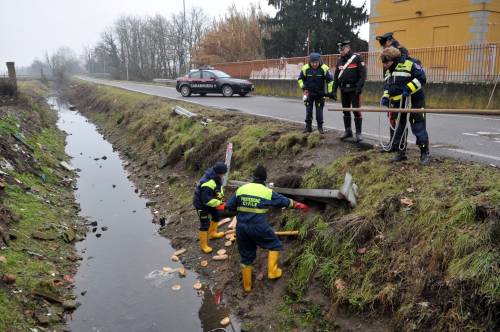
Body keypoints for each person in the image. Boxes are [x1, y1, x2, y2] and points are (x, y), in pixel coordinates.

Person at [225, 165, 309, 292]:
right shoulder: (266, 192)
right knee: (274, 244)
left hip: (241, 228)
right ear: (264, 179)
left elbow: (229, 207)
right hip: (259, 227)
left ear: (253, 177)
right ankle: (272, 272)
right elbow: (283, 201)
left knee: (246, 257)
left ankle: (247, 287)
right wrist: (298, 205)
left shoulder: (242, 189)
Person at [380, 47, 431, 165]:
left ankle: (425, 153)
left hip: (414, 101)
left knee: (418, 126)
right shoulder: (388, 70)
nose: (384, 65)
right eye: (383, 62)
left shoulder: (410, 64)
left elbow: (422, 78)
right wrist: (386, 97)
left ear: (393, 59)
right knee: (399, 127)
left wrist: (408, 88)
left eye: (386, 62)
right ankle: (401, 153)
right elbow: (388, 86)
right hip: (398, 103)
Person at [333, 40, 367, 142]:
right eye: (339, 50)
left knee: (356, 111)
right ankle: (348, 131)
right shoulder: (340, 61)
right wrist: (334, 91)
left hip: (354, 89)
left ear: (348, 48)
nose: (341, 51)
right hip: (343, 89)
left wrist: (359, 88)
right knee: (346, 111)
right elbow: (336, 78)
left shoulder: (357, 58)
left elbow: (362, 75)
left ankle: (358, 133)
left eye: (342, 49)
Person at [192, 161, 227, 254]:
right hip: (201, 204)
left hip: (211, 201)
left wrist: (220, 197)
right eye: (224, 173)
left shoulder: (218, 178)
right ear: (220, 173)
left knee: (216, 215)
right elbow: (206, 201)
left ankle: (212, 234)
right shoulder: (208, 183)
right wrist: (219, 203)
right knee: (205, 223)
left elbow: (219, 189)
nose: (224, 175)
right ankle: (203, 245)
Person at [297, 52, 334, 134]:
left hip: (320, 94)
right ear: (310, 61)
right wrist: (303, 87)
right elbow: (300, 79)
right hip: (308, 93)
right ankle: (308, 127)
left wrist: (330, 92)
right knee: (308, 110)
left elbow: (330, 81)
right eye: (312, 63)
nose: (314, 64)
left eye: (316, 62)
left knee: (319, 111)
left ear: (319, 61)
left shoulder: (324, 68)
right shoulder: (305, 68)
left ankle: (320, 128)